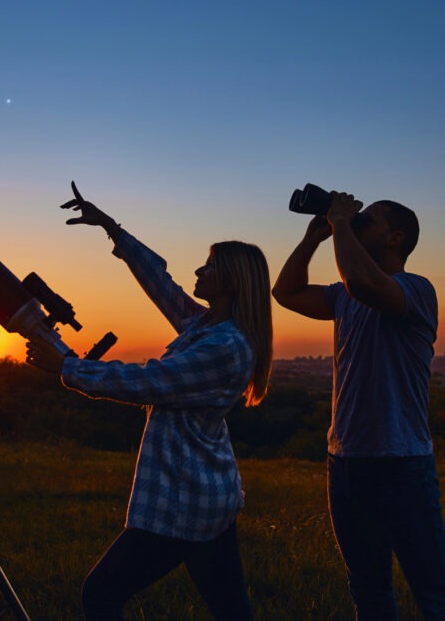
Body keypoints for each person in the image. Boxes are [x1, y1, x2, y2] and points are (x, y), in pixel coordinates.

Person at [25, 186, 273, 621]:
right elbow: (162, 284)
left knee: (101, 594)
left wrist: (67, 366)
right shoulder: (205, 325)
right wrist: (111, 229)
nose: (199, 269)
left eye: (210, 266)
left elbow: (148, 381)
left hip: (184, 500)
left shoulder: (226, 346)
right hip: (206, 496)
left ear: (232, 281)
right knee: (232, 611)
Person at [272, 191, 445, 621]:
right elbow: (285, 292)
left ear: (395, 238)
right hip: (346, 462)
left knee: (435, 594)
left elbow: (364, 283)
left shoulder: (415, 289)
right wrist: (312, 239)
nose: (358, 222)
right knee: (368, 590)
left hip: (401, 463)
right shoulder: (343, 296)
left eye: (369, 220)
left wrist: (343, 222)